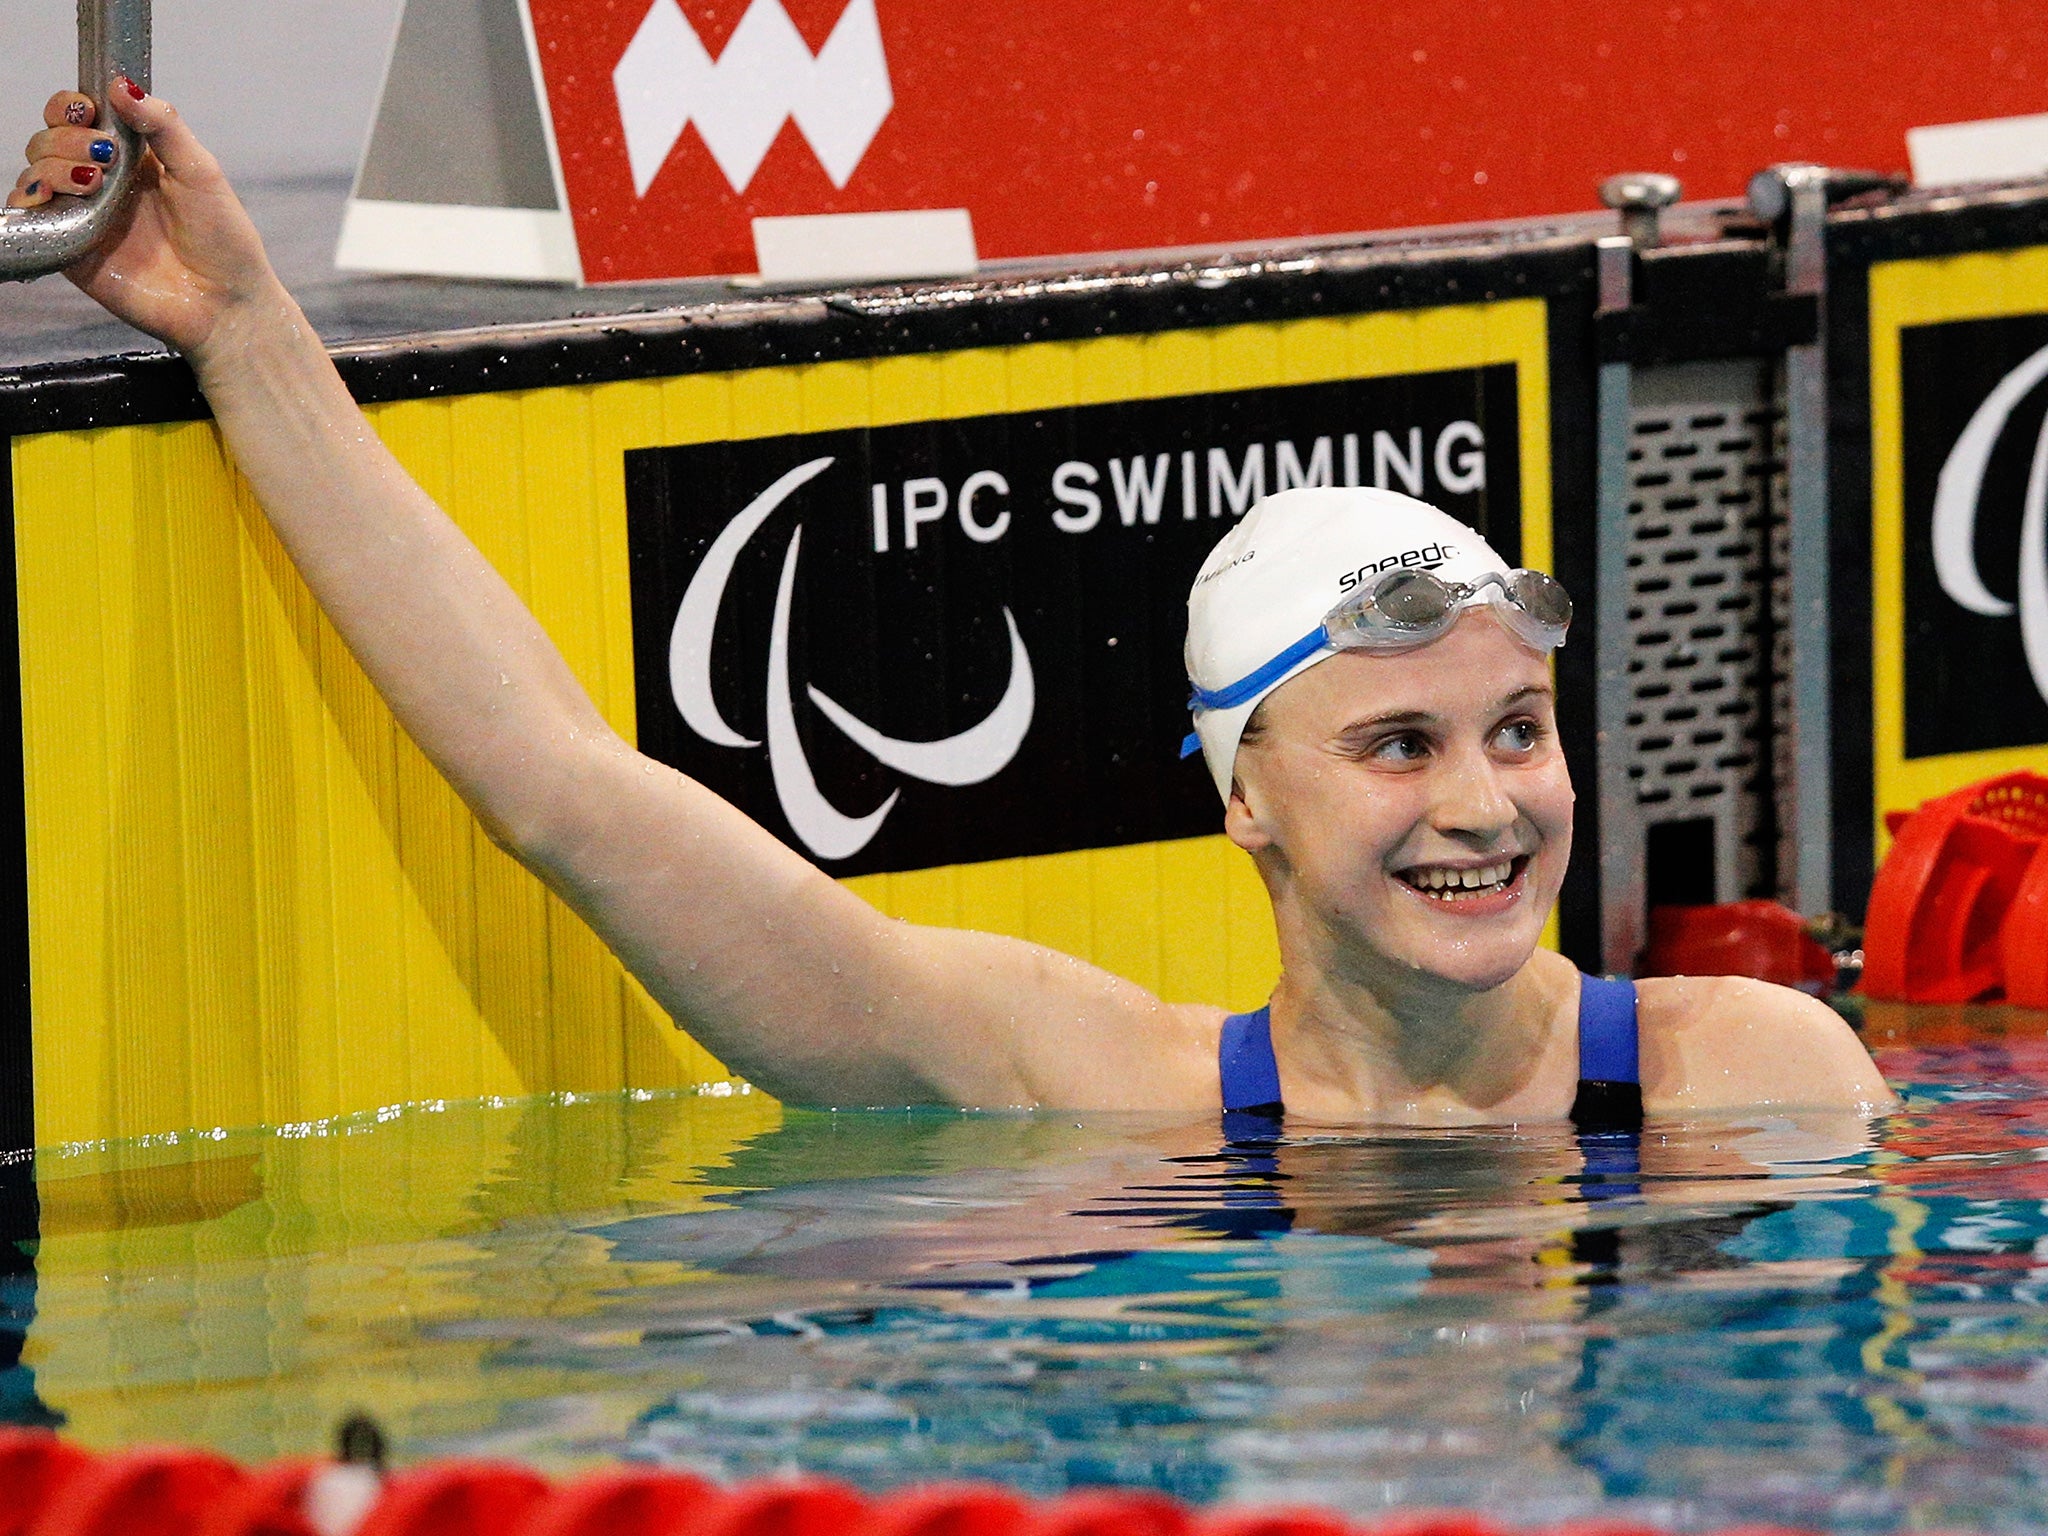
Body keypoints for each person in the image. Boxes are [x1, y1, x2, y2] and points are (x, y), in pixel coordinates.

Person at [8, 85, 1895, 1126]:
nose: (1488, 804)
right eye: (1398, 742)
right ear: (1243, 790)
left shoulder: (1759, 1077)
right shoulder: (1088, 1094)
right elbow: (565, 793)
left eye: (1517, 729)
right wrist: (249, 327)